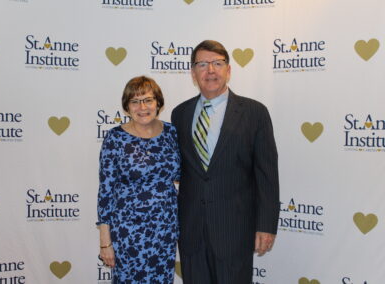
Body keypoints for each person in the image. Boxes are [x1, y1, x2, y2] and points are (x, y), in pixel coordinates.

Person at [171, 40, 280, 284]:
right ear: (193, 73)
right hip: (192, 231)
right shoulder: (180, 114)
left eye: (217, 63)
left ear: (228, 71)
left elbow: (267, 174)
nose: (210, 70)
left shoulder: (255, 113)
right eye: (202, 64)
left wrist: (266, 225)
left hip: (235, 230)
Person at [97, 76, 180, 284]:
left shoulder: (172, 132)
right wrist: (105, 242)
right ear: (127, 107)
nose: (142, 107)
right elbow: (106, 191)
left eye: (148, 100)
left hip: (165, 228)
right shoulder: (115, 138)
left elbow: (183, 174)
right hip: (129, 232)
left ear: (158, 103)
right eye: (135, 101)